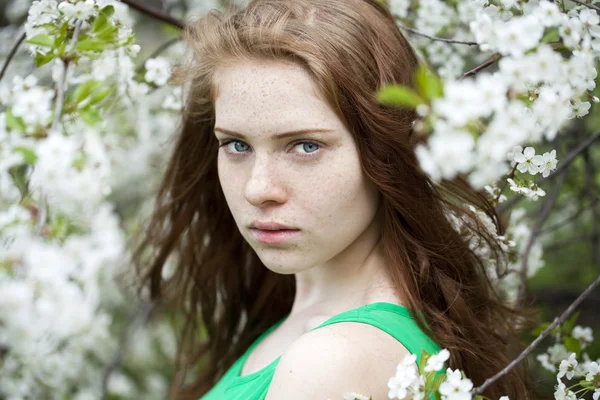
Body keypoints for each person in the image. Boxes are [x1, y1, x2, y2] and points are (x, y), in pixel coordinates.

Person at [132, 0, 536, 399]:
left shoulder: (326, 363)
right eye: (236, 144)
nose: (258, 189)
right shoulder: (322, 332)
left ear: (386, 150)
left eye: (305, 146)